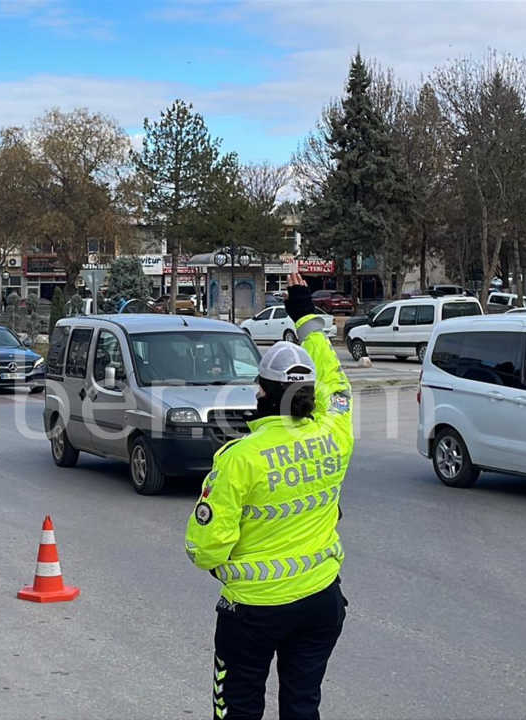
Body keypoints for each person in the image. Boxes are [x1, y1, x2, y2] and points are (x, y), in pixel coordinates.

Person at [185, 272, 354, 720]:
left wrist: (223, 567)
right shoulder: (334, 434)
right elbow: (336, 382)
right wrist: (305, 314)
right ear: (310, 394)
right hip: (320, 600)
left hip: (253, 612)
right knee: (302, 705)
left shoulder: (240, 458)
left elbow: (205, 548)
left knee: (238, 709)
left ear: (262, 391)